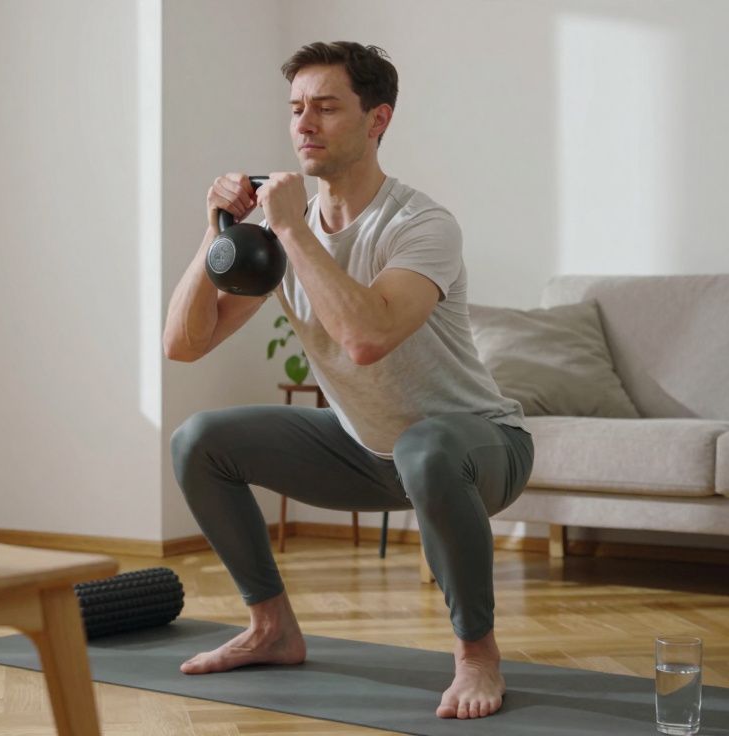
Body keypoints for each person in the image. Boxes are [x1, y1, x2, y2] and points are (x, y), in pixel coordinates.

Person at [163, 41, 534, 720]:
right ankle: (271, 627)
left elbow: (365, 338)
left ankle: (477, 653)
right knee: (199, 440)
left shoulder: (421, 225)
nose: (304, 123)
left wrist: (288, 228)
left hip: (478, 448)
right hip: (366, 450)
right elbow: (183, 344)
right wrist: (216, 233)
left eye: (327, 108)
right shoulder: (282, 236)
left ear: (377, 120)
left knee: (426, 448)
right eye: (297, 109)